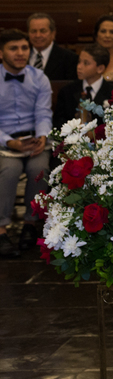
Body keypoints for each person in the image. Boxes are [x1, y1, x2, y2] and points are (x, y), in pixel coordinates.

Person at [0, 29, 51, 257]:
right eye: (13, 48)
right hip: (4, 141)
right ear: (1, 53)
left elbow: (43, 112)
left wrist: (42, 136)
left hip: (33, 139)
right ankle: (1, 230)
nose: (20, 53)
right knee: (9, 171)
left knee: (39, 169)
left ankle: (30, 225)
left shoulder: (39, 77)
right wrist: (9, 142)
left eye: (24, 48)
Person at [53, 45, 113, 129]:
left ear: (100, 68)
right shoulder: (67, 91)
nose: (79, 66)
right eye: (79, 62)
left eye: (86, 63)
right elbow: (58, 121)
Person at [25, 13, 78, 81]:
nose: (38, 35)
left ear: (53, 33)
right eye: (33, 31)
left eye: (43, 31)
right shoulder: (20, 56)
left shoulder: (70, 59)